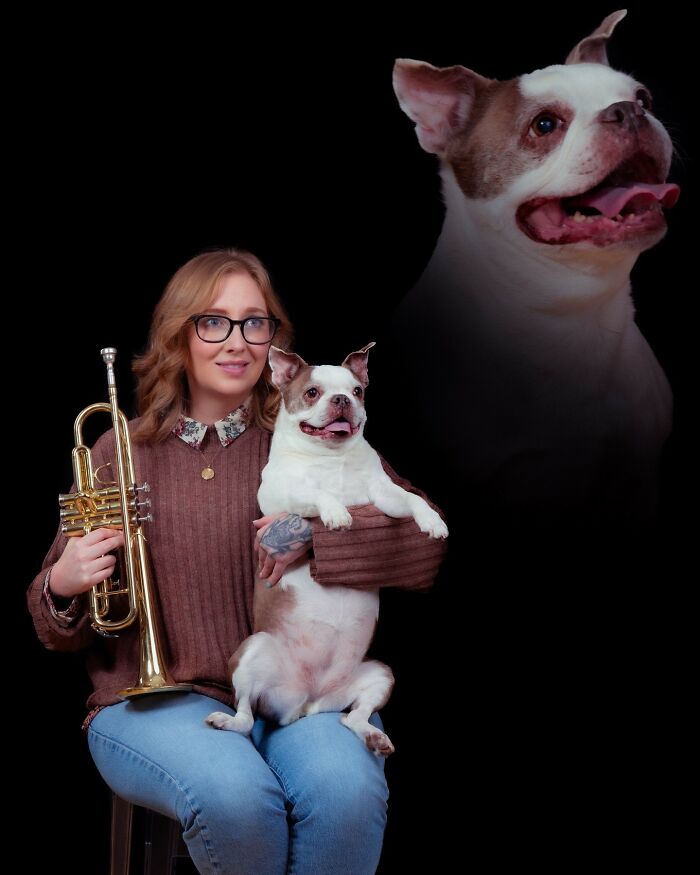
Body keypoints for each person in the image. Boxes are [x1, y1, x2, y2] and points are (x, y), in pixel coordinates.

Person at [27, 247, 447, 875]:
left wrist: (316, 537)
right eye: (213, 322)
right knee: (238, 801)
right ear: (179, 335)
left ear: (273, 342)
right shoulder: (120, 448)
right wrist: (64, 584)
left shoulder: (311, 433)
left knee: (348, 794)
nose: (237, 341)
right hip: (153, 702)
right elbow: (52, 626)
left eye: (255, 322)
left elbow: (426, 548)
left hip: (298, 691)